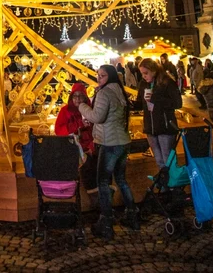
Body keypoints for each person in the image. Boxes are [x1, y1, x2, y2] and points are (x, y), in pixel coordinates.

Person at [78, 64, 138, 239]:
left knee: (103, 182)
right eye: (98, 75)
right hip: (123, 141)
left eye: (102, 76)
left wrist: (82, 106)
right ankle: (132, 214)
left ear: (110, 77)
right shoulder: (119, 92)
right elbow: (108, 117)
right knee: (121, 179)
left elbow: (98, 117)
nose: (99, 78)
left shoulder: (104, 93)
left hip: (109, 143)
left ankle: (106, 223)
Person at [134, 58, 182, 169]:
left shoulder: (167, 82)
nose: (144, 76)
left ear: (154, 71)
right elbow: (140, 103)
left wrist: (156, 98)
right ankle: (164, 182)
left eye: (146, 73)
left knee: (168, 159)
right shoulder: (143, 84)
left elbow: (177, 103)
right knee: (159, 160)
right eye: (142, 73)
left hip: (165, 126)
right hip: (150, 127)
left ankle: (173, 183)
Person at [55, 82, 98, 203]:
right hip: (73, 147)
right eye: (75, 96)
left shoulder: (90, 111)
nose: (78, 99)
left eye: (80, 96)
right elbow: (59, 130)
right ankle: (94, 196)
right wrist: (78, 125)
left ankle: (101, 196)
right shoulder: (65, 111)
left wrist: (91, 146)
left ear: (85, 97)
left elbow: (96, 132)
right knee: (86, 164)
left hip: (89, 147)